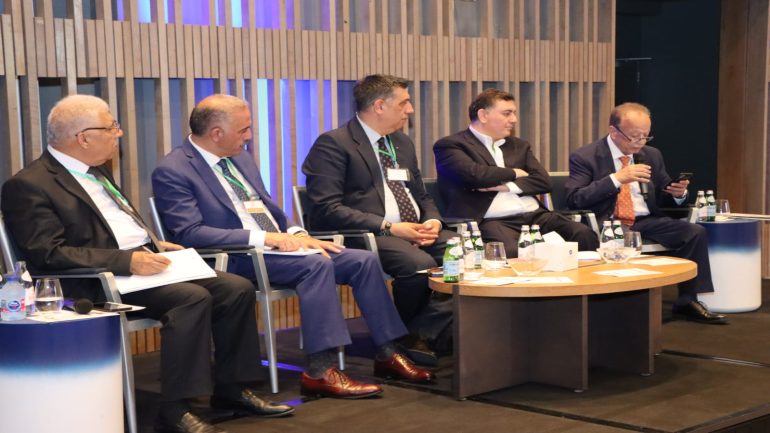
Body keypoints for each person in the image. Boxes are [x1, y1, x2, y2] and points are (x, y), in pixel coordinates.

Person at [0, 95, 294, 433]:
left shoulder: (95, 172)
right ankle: (175, 409)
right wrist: (128, 260)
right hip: (96, 281)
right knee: (191, 298)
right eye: (111, 127)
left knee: (235, 288)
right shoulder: (29, 184)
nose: (119, 133)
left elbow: (113, 227)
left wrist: (153, 244)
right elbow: (48, 253)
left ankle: (232, 390)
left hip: (140, 267)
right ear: (83, 138)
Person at [151, 94, 434, 400]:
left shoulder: (240, 158)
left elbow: (267, 209)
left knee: (362, 261)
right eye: (243, 130)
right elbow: (190, 233)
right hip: (235, 257)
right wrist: (266, 239)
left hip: (277, 247)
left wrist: (298, 233)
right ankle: (320, 370)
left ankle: (388, 351)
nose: (249, 136)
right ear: (216, 133)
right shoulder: (174, 169)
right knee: (316, 265)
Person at [302, 75, 455, 364]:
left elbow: (422, 196)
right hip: (367, 233)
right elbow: (326, 208)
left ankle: (420, 334)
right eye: (404, 103)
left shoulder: (401, 143)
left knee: (466, 254)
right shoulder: (334, 144)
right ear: (380, 106)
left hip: (414, 229)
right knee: (418, 264)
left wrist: (433, 221)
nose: (410, 110)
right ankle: (408, 340)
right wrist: (389, 227)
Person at [564, 102, 727, 325]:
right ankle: (622, 310)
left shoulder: (651, 154)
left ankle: (688, 300)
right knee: (622, 240)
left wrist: (678, 194)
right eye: (634, 136)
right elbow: (575, 198)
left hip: (646, 219)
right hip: (610, 223)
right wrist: (616, 179)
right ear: (613, 131)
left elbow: (662, 194)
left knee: (694, 232)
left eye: (645, 136)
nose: (640, 142)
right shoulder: (586, 156)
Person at [433, 88, 599, 258]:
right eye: (507, 113)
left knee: (582, 234)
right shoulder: (451, 145)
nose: (514, 119)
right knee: (511, 252)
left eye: (514, 113)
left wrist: (507, 187)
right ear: (483, 115)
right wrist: (515, 172)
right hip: (492, 220)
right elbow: (476, 175)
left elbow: (544, 182)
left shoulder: (519, 146)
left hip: (535, 216)